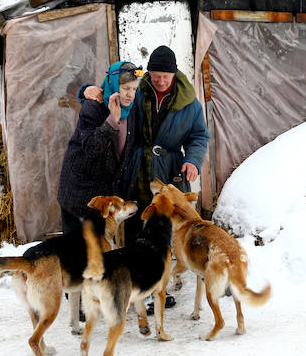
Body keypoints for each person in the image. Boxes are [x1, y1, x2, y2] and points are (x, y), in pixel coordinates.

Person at [83, 45, 209, 311]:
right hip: (136, 167)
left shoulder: (189, 103)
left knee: (162, 231)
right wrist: (85, 89)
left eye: (166, 75)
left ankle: (156, 286)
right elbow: (107, 87)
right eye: (155, 74)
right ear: (148, 72)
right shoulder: (136, 91)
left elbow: (199, 136)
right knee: (133, 227)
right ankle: (129, 285)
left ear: (175, 75)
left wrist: (193, 161)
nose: (160, 80)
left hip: (170, 172)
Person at [57, 61, 144, 327]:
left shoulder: (131, 110)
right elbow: (88, 153)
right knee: (77, 253)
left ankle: (97, 298)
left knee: (99, 251)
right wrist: (110, 121)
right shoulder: (93, 109)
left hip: (102, 194)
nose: (129, 93)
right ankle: (79, 306)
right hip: (78, 192)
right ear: (111, 86)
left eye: (133, 88)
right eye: (123, 87)